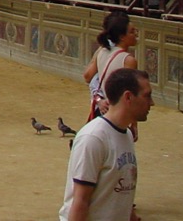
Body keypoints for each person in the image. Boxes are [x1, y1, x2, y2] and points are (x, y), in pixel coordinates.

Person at [59, 68, 154, 221]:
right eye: (147, 96)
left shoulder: (126, 134)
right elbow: (80, 201)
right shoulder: (93, 138)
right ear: (128, 97)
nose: (152, 102)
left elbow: (118, 190)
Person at [82, 11, 138, 121]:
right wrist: (134, 123)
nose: (136, 34)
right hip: (116, 113)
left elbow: (88, 76)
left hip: (102, 111)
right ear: (122, 36)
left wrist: (98, 100)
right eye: (132, 32)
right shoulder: (128, 60)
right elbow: (129, 94)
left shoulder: (102, 51)